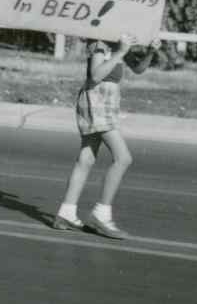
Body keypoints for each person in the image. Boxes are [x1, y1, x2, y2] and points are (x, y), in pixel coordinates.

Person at [52, 34, 160, 240]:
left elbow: (138, 69)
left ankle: (66, 213)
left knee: (87, 158)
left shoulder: (117, 42)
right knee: (123, 158)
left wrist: (150, 52)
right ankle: (101, 214)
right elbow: (95, 75)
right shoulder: (99, 43)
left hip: (107, 101)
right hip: (96, 99)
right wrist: (120, 51)